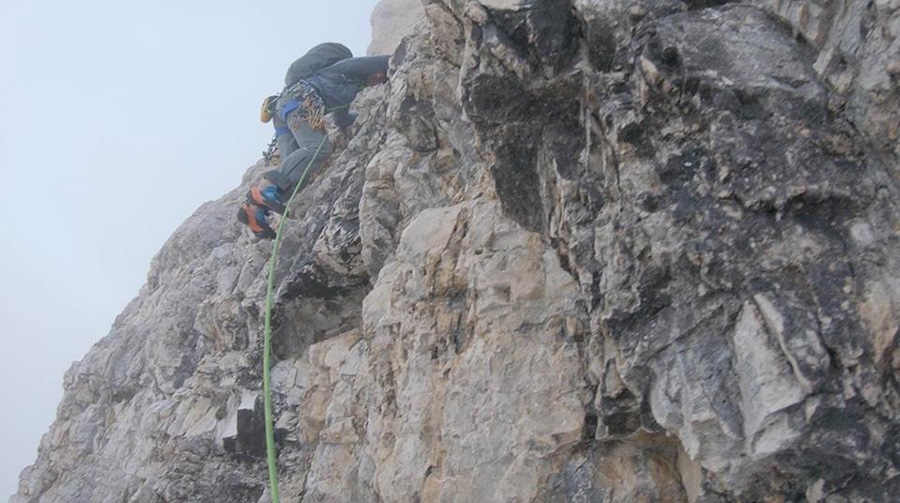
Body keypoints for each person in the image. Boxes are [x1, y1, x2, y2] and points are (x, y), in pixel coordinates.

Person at [239, 43, 389, 239]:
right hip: (300, 100)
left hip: (285, 110)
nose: (379, 79)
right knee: (317, 149)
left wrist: (363, 119)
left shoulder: (348, 84)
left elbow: (341, 118)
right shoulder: (346, 67)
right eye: (379, 75)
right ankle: (264, 190)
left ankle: (254, 210)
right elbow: (385, 61)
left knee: (296, 173)